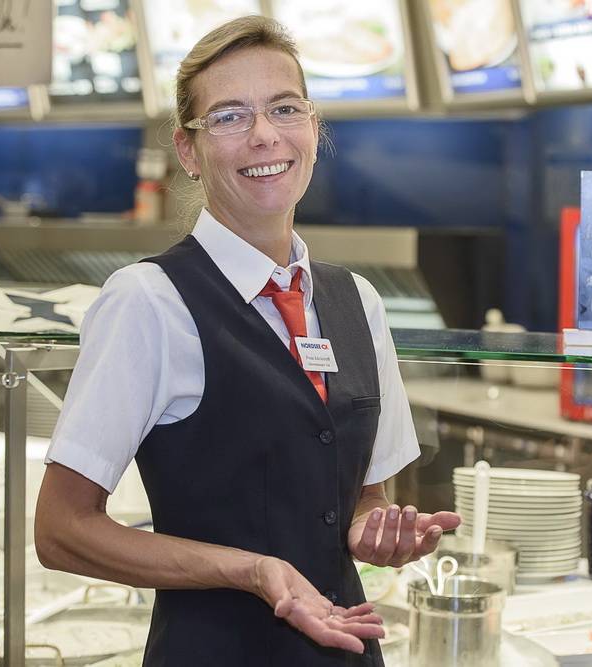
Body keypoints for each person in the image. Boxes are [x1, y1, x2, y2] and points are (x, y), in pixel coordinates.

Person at [34, 16, 460, 666]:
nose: (265, 134)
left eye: (284, 108)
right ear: (188, 150)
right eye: (229, 116)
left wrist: (374, 528)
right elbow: (62, 531)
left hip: (349, 647)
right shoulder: (147, 301)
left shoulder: (358, 302)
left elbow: (364, 495)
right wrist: (251, 570)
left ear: (313, 129)